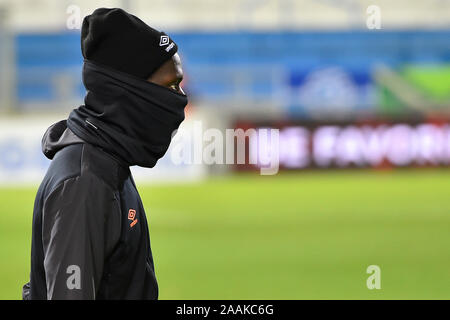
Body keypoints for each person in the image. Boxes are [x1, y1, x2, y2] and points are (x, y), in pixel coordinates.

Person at [22, 7, 188, 300]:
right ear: (130, 91)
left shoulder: (109, 160)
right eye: (170, 85)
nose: (180, 99)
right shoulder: (84, 182)